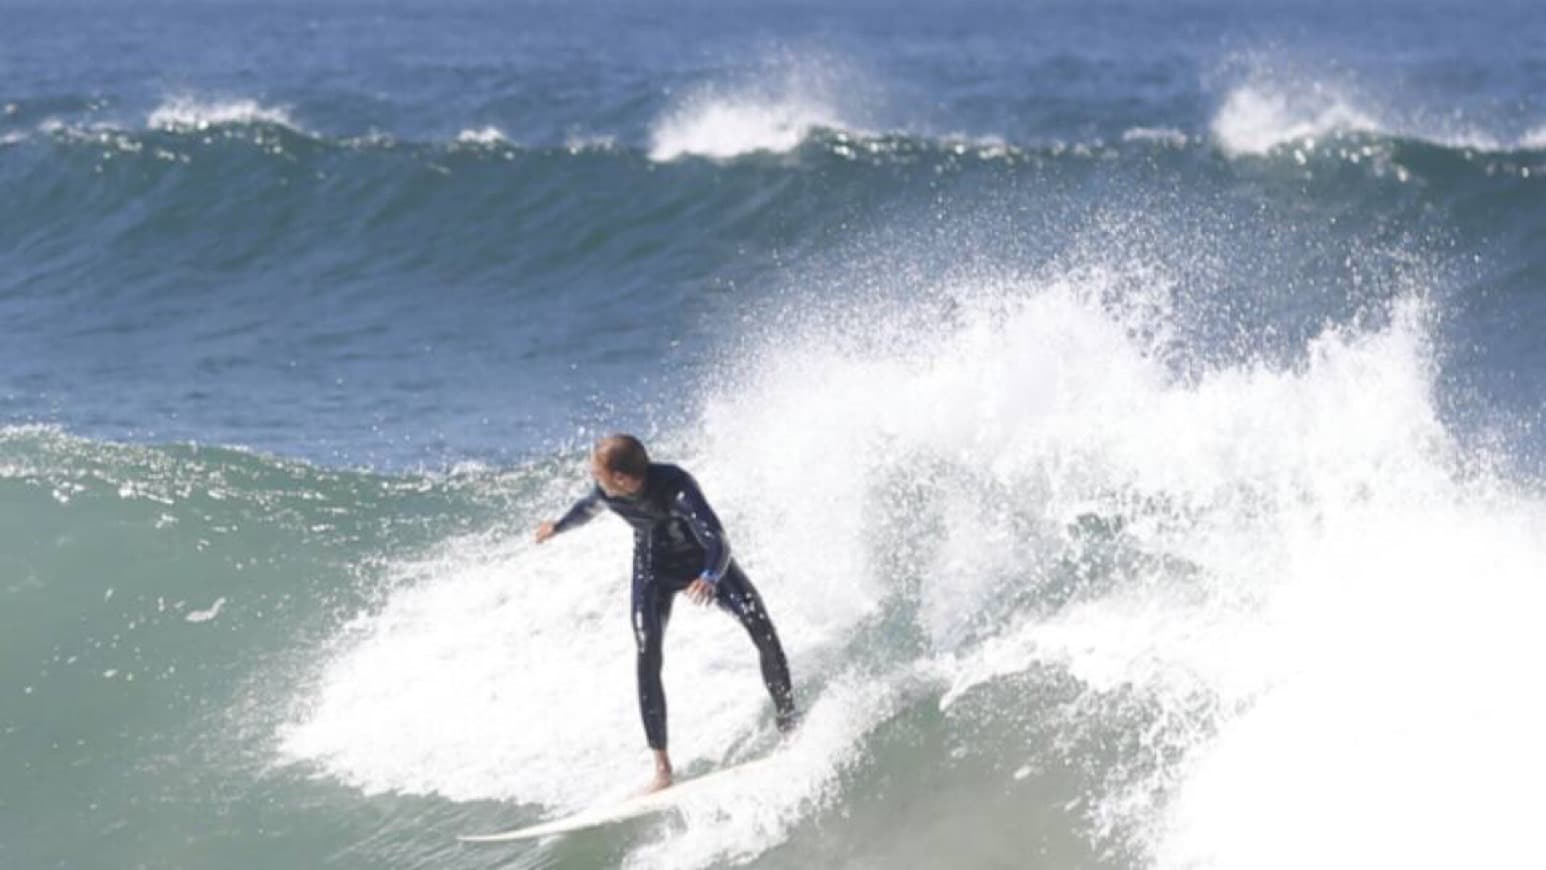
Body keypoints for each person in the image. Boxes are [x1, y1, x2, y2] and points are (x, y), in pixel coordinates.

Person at [535, 434, 797, 793]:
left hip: (703, 564)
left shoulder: (676, 486)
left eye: (599, 475)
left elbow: (717, 539)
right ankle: (662, 768)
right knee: (648, 652)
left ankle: (789, 727)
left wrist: (709, 576)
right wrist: (558, 527)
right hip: (653, 571)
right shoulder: (607, 492)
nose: (595, 481)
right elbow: (586, 508)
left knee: (761, 629)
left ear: (623, 479)